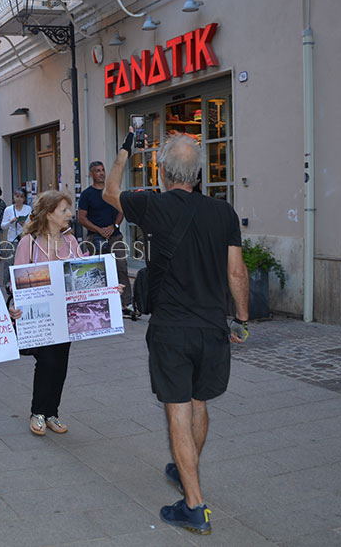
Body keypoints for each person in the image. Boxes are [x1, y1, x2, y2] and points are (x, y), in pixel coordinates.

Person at [103, 133, 250, 536]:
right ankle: (186, 471)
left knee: (178, 412)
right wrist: (241, 319)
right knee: (199, 404)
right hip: (211, 327)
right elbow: (236, 272)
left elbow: (110, 191)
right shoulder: (224, 212)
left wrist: (124, 151)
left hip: (171, 329)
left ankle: (195, 505)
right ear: (198, 174)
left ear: (163, 172)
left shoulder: (152, 204)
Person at [8, 191, 87, 436]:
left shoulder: (72, 242)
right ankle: (38, 412)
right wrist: (14, 305)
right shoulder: (28, 243)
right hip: (39, 316)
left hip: (65, 316)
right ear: (49, 213)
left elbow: (82, 275)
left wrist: (108, 289)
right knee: (47, 362)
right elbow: (16, 280)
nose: (70, 215)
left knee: (60, 364)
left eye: (69, 210)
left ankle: (52, 412)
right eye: (63, 210)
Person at [78, 160, 135, 319]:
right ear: (91, 174)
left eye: (103, 170)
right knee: (96, 271)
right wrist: (99, 230)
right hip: (94, 237)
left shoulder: (111, 191)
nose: (102, 173)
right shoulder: (87, 194)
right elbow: (81, 218)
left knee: (121, 267)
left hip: (114, 236)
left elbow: (122, 210)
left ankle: (126, 304)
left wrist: (114, 226)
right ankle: (98, 304)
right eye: (98, 171)